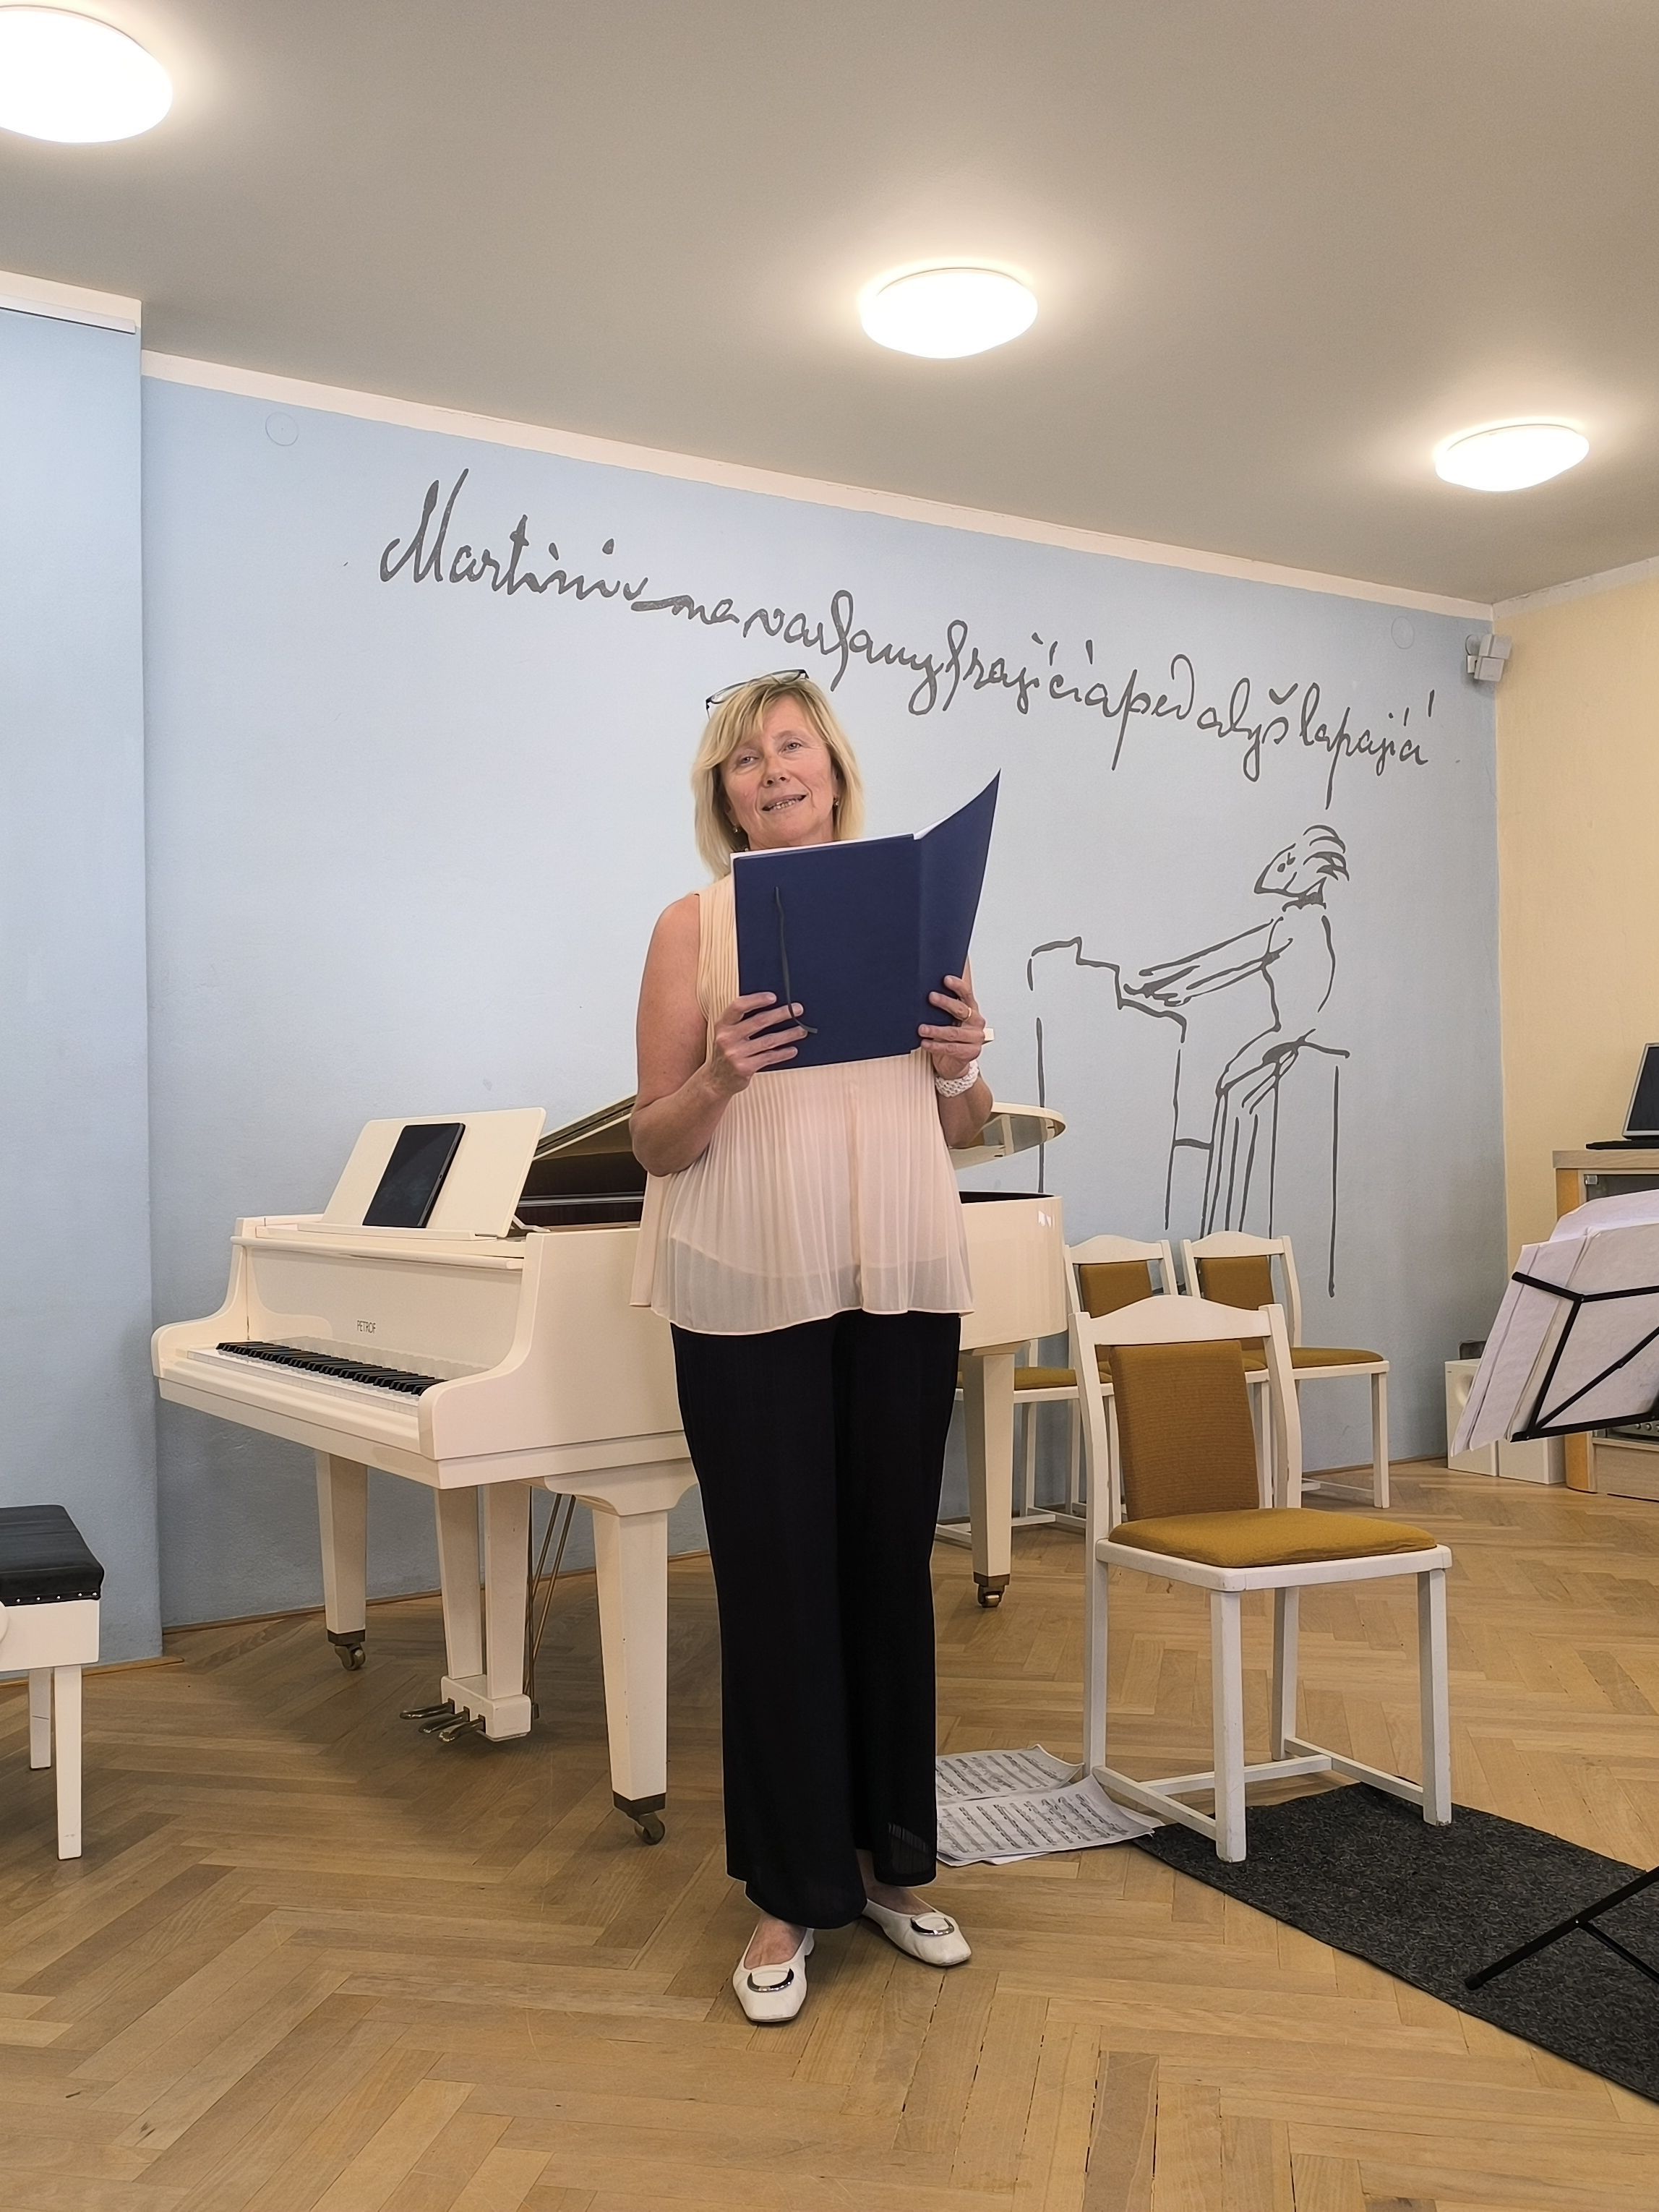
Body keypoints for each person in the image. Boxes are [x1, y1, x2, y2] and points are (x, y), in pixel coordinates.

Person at [630, 671, 993, 2023]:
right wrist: (721, 1074)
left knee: (889, 1570)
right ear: (723, 795)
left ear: (833, 768)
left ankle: (891, 1867)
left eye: (792, 745)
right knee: (778, 1589)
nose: (772, 768)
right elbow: (653, 1141)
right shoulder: (691, 927)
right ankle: (790, 1896)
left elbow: (962, 1128)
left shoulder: (916, 916)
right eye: (744, 757)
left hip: (897, 1272)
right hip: (745, 1288)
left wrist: (962, 1063)